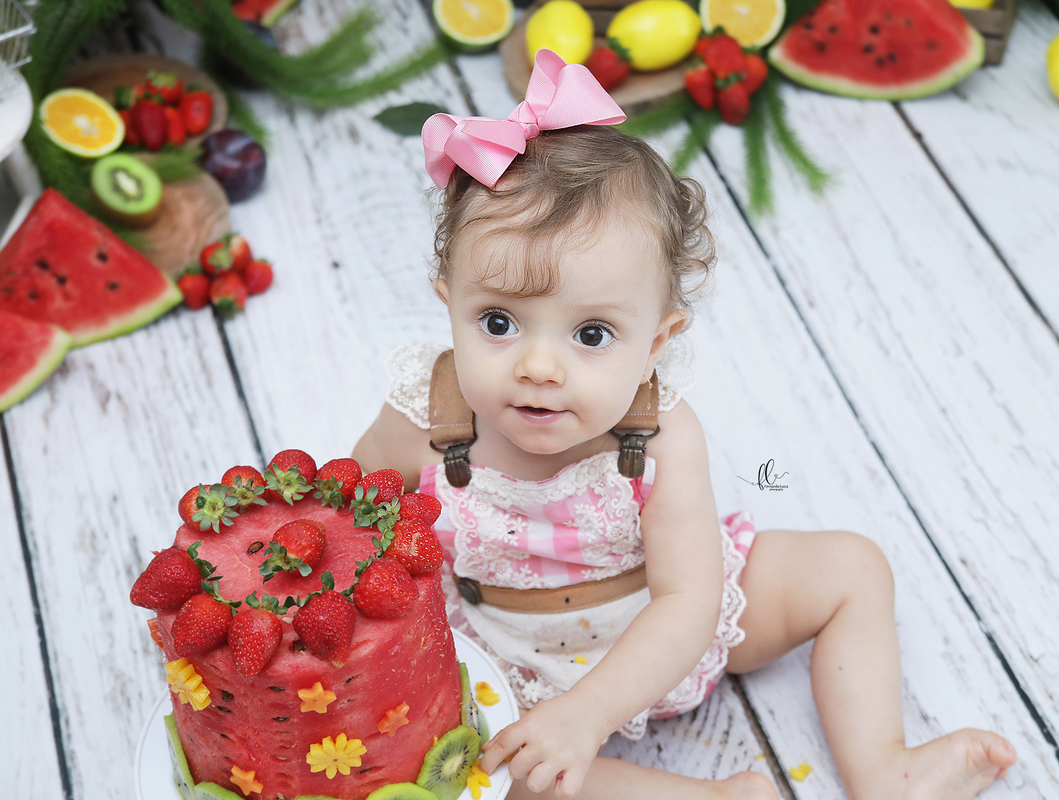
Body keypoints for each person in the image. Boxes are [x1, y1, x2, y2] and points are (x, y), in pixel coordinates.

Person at [353, 49, 1016, 800]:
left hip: (660, 629)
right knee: (499, 773)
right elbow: (352, 525)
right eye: (498, 322)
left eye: (592, 334)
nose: (539, 366)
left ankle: (886, 768)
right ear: (449, 305)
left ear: (656, 342)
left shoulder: (660, 438)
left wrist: (591, 710)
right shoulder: (424, 420)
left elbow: (688, 600)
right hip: (502, 654)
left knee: (853, 568)